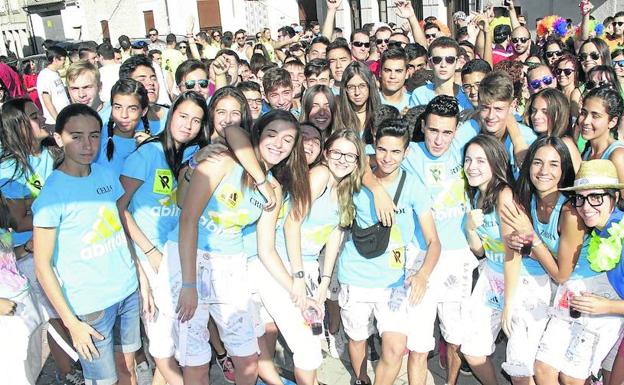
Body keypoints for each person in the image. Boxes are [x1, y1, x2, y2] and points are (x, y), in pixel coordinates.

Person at [171, 109, 309, 385]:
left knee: (247, 358)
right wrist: (188, 284)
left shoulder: (275, 190)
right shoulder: (223, 160)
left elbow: (266, 249)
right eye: (271, 135)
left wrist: (295, 283)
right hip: (190, 259)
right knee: (196, 360)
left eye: (288, 140)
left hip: (231, 266)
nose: (278, 145)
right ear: (256, 136)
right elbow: (188, 218)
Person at [33, 103, 151, 385]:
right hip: (90, 308)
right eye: (76, 136)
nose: (87, 144)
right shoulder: (52, 194)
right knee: (103, 381)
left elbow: (119, 226)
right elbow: (42, 266)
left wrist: (141, 277)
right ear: (59, 138)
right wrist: (72, 323)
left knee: (129, 369)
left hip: (127, 292)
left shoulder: (105, 174)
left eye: (94, 135)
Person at [117, 91, 210, 385]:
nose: (188, 125)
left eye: (196, 120)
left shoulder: (192, 155)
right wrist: (149, 252)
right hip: (150, 256)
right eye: (183, 116)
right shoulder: (147, 153)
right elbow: (119, 208)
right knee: (161, 338)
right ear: (171, 115)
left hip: (176, 253)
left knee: (172, 336)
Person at [338, 122, 440, 385]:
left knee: (395, 348)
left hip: (393, 281)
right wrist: (376, 189)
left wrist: (422, 275)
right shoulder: (358, 175)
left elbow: (433, 241)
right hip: (355, 275)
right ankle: (361, 379)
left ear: (406, 153)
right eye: (382, 149)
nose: (387, 157)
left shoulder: (414, 187)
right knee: (357, 339)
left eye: (396, 152)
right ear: (374, 146)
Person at [402, 96, 479, 385]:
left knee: (456, 337)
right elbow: (369, 156)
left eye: (447, 132)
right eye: (433, 130)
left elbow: (498, 104)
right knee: (419, 343)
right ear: (423, 125)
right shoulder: (408, 153)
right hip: (419, 254)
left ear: (456, 130)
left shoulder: (465, 145)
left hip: (457, 256)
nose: (439, 140)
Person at [461, 134, 548, 385]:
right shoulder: (477, 195)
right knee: (472, 351)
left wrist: (508, 304)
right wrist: (469, 229)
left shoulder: (504, 195)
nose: (472, 167)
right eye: (468, 160)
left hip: (522, 280)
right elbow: (481, 252)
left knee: (519, 369)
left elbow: (513, 253)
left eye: (480, 160)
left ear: (495, 163)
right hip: (492, 275)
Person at [534, 159, 624, 385]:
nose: (586, 206)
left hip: (611, 312)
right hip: (600, 309)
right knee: (550, 371)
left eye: (596, 197)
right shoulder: (602, 229)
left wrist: (607, 307)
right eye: (580, 198)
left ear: (615, 197)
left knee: (574, 378)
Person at [0, 191, 48, 385]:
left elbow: (7, 260)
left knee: (30, 367)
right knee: (14, 374)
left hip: (24, 302)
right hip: (7, 313)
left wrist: (26, 248)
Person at [95, 79, 150, 176]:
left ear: (143, 111)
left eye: (132, 109)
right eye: (118, 107)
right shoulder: (96, 138)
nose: (124, 115)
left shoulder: (149, 144)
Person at [578, 87, 624, 197]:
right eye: (584, 113)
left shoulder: (617, 156)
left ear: (612, 122)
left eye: (595, 116)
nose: (586, 121)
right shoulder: (588, 152)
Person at [523, 88, 581, 171]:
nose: (536, 116)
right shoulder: (533, 139)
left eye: (545, 112)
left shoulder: (566, 143)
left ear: (559, 113)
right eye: (534, 111)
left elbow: (579, 179)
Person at [411, 37, 472, 110]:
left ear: (458, 62)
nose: (443, 65)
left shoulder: (467, 95)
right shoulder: (419, 94)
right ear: (430, 63)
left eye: (450, 60)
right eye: (437, 60)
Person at [119, 55, 169, 134]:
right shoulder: (122, 124)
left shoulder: (172, 114)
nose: (151, 83)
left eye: (153, 78)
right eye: (142, 79)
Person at [335, 61, 381, 139]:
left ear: (370, 86)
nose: (357, 92)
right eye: (351, 87)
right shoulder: (337, 114)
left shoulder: (381, 113)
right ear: (345, 89)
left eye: (362, 86)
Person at [37, 46, 70, 129]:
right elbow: (47, 101)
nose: (64, 62)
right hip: (54, 122)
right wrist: (58, 121)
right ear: (55, 59)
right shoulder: (44, 75)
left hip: (65, 118)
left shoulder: (56, 73)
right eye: (63, 59)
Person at [378, 47, 413, 113]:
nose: (392, 76)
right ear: (380, 72)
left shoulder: (413, 101)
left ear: (407, 74)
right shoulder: (370, 102)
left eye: (398, 71)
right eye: (387, 70)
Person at [554, 53, 582, 120]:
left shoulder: (577, 95)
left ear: (575, 73)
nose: (562, 74)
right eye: (559, 71)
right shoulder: (555, 93)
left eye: (567, 71)